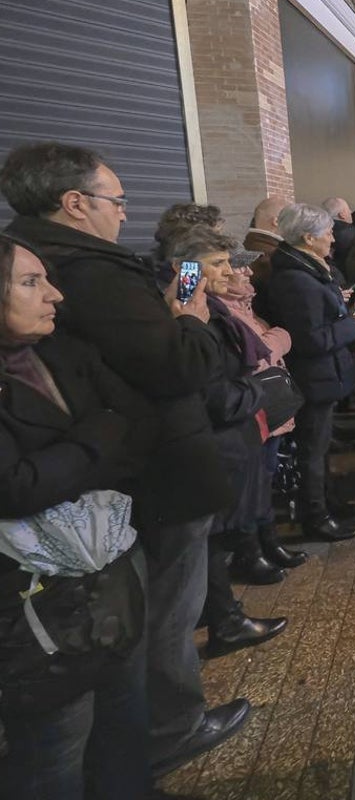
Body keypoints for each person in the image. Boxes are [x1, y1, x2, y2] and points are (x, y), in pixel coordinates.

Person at [0, 142, 251, 775]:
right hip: (154, 469)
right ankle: (174, 727)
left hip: (120, 474)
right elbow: (178, 364)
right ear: (75, 203)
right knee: (163, 613)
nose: (123, 211)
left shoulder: (50, 257)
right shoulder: (97, 271)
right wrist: (192, 321)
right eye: (116, 199)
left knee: (135, 622)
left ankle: (133, 754)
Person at [0, 236, 157, 798]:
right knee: (57, 739)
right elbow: (15, 488)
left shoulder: (63, 350)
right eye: (30, 282)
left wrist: (77, 455)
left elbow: (135, 420)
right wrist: (95, 437)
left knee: (124, 704)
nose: (55, 295)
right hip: (32, 590)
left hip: (109, 553)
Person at [166, 226, 288, 656]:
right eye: (217, 263)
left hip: (232, 435)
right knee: (213, 539)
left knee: (217, 537)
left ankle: (222, 614)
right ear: (187, 268)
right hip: (219, 437)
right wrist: (260, 390)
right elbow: (212, 389)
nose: (229, 270)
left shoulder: (205, 308)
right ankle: (224, 620)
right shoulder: (192, 313)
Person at [267, 203, 355, 542]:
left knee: (322, 446)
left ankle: (328, 501)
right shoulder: (297, 280)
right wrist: (352, 323)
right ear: (309, 238)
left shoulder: (309, 271)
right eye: (327, 233)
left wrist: (336, 302)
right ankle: (316, 515)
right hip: (315, 376)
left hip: (325, 374)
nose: (333, 238)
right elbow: (312, 338)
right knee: (313, 450)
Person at [220, 253, 309, 576]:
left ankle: (268, 540)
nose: (245, 272)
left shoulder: (243, 305)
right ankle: (250, 551)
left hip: (266, 408)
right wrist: (281, 336)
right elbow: (258, 353)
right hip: (251, 410)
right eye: (231, 266)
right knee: (252, 483)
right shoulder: (220, 310)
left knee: (265, 476)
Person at [321, 196, 355, 265]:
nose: (350, 211)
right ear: (342, 214)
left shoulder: (322, 230)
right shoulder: (350, 232)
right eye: (348, 209)